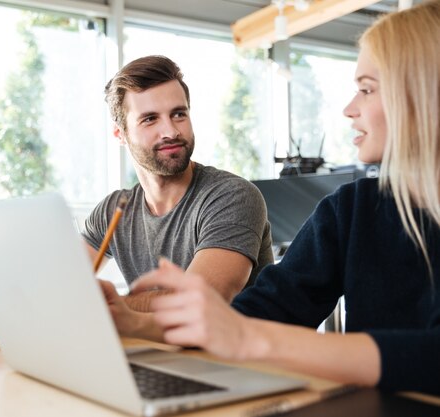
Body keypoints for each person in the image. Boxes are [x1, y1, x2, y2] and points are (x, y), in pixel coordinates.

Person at [131, 1, 440, 396]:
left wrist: (249, 338)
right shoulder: (351, 210)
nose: (349, 109)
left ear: (424, 96)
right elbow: (264, 313)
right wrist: (131, 321)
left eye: (366, 89)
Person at [0, 55, 274, 338]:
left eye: (179, 114)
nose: (171, 131)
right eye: (150, 119)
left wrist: (103, 308)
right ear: (120, 134)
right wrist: (6, 294)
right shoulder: (114, 209)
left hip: (245, 368)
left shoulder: (232, 196)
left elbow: (199, 301)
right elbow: (60, 281)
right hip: (164, 358)